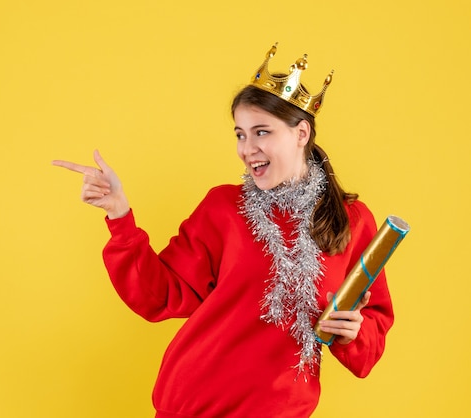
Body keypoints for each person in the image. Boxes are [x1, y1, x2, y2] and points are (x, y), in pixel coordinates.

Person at [52, 44, 394, 418]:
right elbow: (160, 295)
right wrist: (119, 216)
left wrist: (353, 332)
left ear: (301, 133)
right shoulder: (223, 208)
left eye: (261, 132)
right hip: (195, 402)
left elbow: (371, 332)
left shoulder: (351, 220)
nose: (247, 149)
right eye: (240, 135)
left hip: (282, 410)